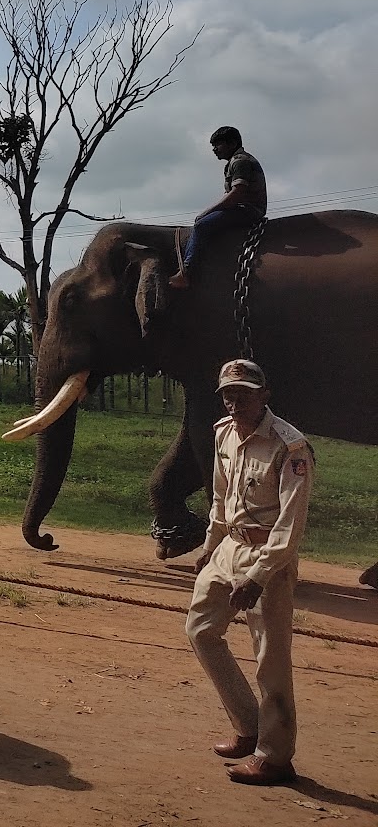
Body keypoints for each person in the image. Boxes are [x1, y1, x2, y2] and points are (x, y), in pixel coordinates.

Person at [185, 358, 313, 786]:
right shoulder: (223, 432)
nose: (234, 400)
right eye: (228, 392)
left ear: (264, 396)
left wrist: (258, 578)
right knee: (201, 630)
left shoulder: (289, 446)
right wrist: (208, 548)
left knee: (270, 659)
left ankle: (275, 757)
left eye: (244, 392)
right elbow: (220, 499)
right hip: (228, 547)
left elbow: (290, 524)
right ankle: (248, 725)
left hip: (268, 561)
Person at [169, 127, 266, 289]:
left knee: (201, 225)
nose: (214, 149)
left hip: (248, 210)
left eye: (218, 145)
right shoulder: (232, 163)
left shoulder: (240, 161)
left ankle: (186, 273)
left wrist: (208, 211)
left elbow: (237, 194)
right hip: (242, 208)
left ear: (232, 143)